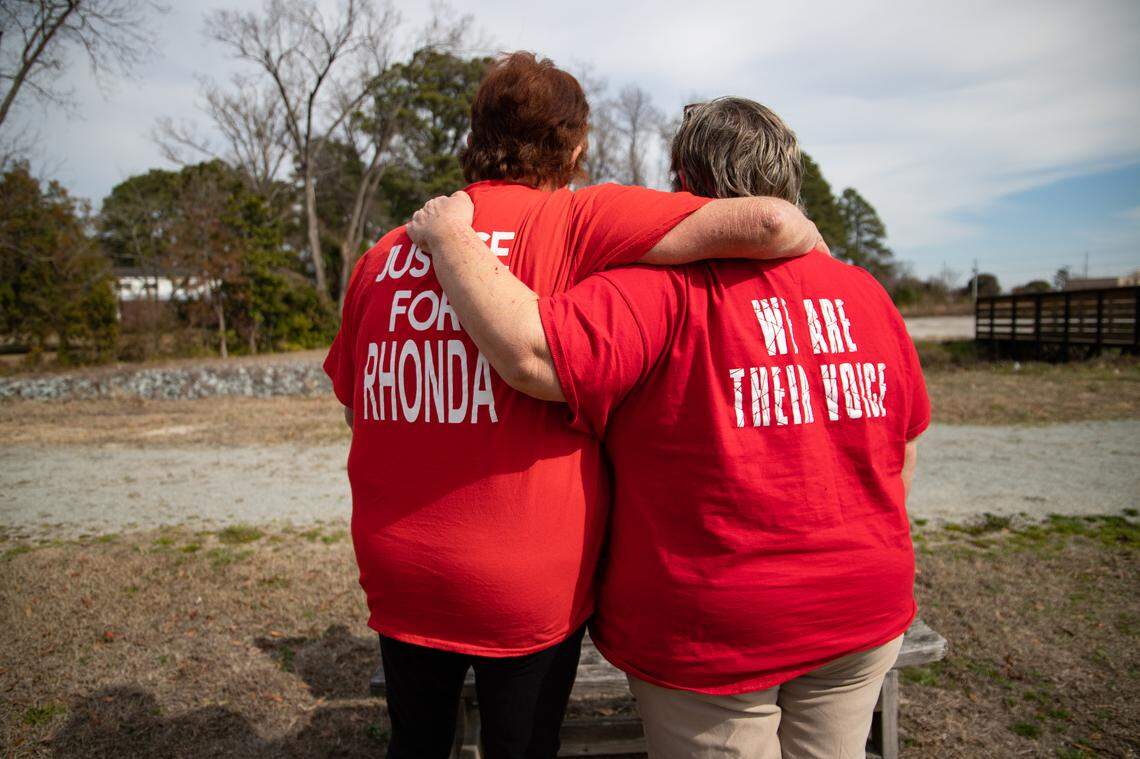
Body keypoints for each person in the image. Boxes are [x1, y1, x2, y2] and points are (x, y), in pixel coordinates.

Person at [323, 54, 823, 759]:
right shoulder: (578, 219)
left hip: (401, 570)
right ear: (577, 146)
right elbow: (771, 223)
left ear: (473, 135)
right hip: (526, 582)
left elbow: (357, 407)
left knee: (416, 745)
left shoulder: (384, 254)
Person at [407, 96, 929, 759]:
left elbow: (531, 353)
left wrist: (452, 235)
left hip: (712, 633)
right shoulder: (866, 294)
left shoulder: (653, 294)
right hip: (863, 610)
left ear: (683, 184)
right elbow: (902, 448)